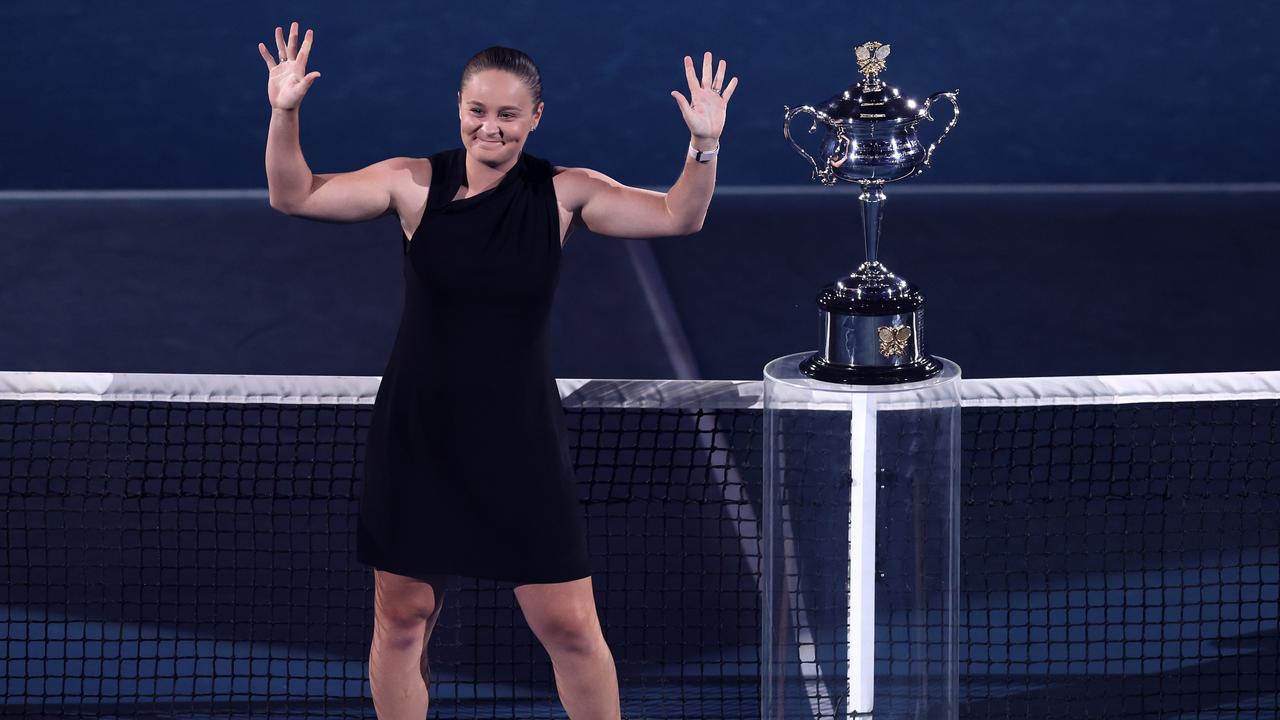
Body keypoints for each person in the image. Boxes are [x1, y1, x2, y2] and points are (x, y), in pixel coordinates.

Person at [258, 21, 737, 720]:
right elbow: (292, 194)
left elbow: (677, 216)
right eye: (477, 111)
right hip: (419, 433)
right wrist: (285, 110)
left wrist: (704, 144)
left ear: (535, 117)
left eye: (508, 115)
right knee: (401, 621)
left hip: (519, 440)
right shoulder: (412, 183)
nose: (490, 128)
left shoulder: (565, 193)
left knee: (571, 626)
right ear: (459, 109)